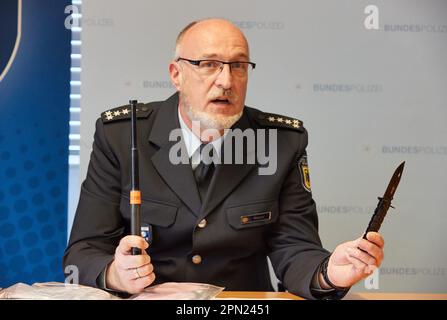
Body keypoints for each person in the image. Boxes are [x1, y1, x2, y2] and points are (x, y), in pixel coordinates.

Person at [63, 18, 384, 300]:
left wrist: (328, 273)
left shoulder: (281, 142)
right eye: (209, 64)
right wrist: (115, 274)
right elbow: (82, 252)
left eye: (238, 66)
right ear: (176, 74)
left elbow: (295, 250)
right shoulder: (121, 136)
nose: (226, 81)